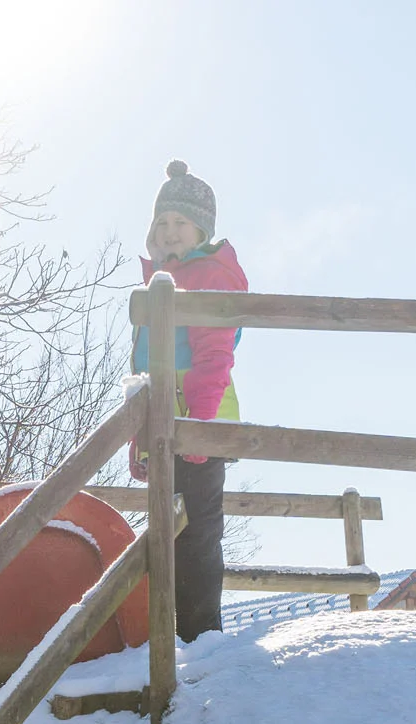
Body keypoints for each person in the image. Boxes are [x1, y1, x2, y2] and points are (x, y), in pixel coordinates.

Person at [129, 159, 248, 640]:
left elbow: (214, 357)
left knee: (196, 534)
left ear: (201, 228)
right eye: (163, 222)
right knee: (166, 533)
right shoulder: (160, 280)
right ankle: (171, 638)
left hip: (198, 425)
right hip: (165, 427)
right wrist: (138, 439)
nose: (170, 231)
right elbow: (146, 373)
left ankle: (201, 638)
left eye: (180, 221)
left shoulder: (207, 275)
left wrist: (199, 428)